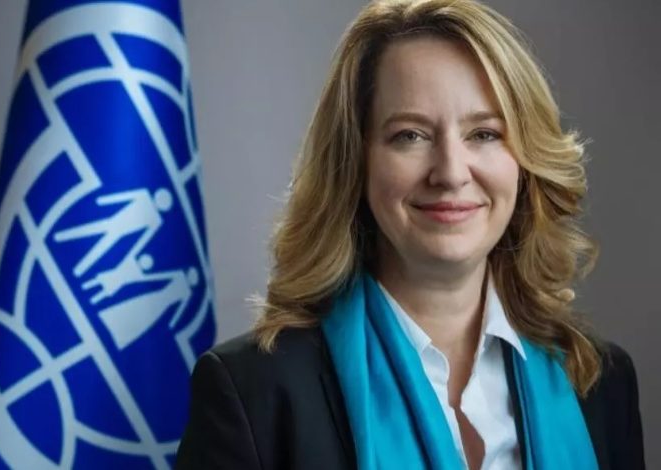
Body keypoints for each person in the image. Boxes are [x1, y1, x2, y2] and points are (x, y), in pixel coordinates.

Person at [175, 0, 645, 468]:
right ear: (355, 162)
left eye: (484, 133)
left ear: (525, 160)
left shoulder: (598, 382)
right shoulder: (253, 391)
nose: (451, 173)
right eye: (410, 135)